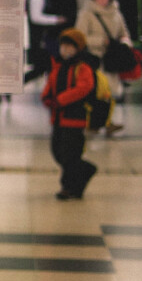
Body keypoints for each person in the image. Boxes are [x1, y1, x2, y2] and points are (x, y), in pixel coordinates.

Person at [42, 28, 97, 200]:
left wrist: (61, 100)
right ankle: (85, 171)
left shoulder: (83, 68)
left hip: (74, 119)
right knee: (57, 151)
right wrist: (46, 98)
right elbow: (50, 85)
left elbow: (84, 88)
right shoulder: (57, 66)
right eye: (63, 46)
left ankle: (68, 187)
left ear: (78, 48)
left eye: (70, 46)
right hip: (58, 118)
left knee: (69, 155)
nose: (65, 50)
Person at [76, 0, 133, 121]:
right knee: (97, 90)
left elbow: (123, 31)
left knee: (111, 91)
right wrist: (101, 41)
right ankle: (96, 121)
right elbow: (79, 37)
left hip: (112, 58)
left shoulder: (115, 12)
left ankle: (107, 121)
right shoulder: (86, 14)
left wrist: (125, 41)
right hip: (94, 58)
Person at [24, 0, 65, 83]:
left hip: (40, 38)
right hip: (39, 38)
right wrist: (55, 20)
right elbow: (36, 17)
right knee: (41, 68)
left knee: (43, 68)